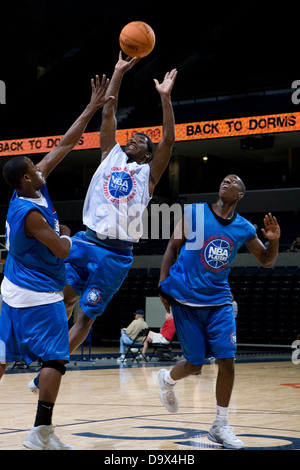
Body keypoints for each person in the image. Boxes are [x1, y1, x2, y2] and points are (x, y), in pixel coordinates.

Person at [29, 54, 177, 393]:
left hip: (115, 255)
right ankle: (48, 353)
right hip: (85, 242)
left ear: (148, 154)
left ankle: (50, 369)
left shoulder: (148, 174)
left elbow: (168, 140)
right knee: (62, 297)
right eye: (134, 136)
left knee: (86, 316)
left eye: (142, 140)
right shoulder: (110, 154)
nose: (135, 138)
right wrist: (118, 72)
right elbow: (108, 110)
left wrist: (165, 99)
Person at [0, 74, 113, 450]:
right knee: (56, 358)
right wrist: (65, 230)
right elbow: (64, 250)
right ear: (23, 181)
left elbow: (66, 143)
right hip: (36, 293)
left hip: (13, 288)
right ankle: (40, 432)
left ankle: (41, 431)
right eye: (33, 168)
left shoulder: (35, 185)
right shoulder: (29, 214)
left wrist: (92, 108)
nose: (39, 168)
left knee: (2, 355)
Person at [157, 174, 280, 450]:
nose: (227, 182)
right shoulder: (196, 212)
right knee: (195, 364)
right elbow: (172, 247)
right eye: (224, 179)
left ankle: (220, 425)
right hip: (186, 298)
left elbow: (266, 261)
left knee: (227, 360)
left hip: (219, 301)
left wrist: (273, 240)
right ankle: (166, 379)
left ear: (240, 194)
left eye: (234, 181)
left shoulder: (244, 228)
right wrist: (162, 284)